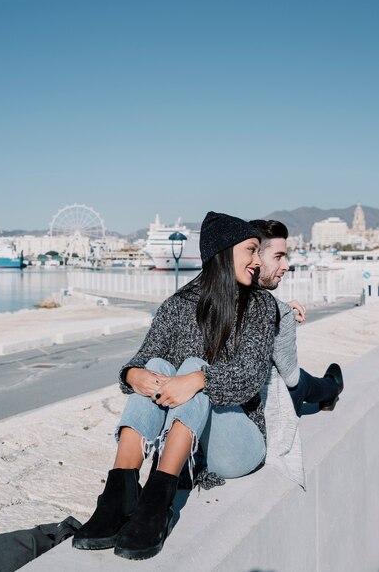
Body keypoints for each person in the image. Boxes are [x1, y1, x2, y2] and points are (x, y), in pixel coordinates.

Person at [72, 211, 278, 560]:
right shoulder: (178, 306)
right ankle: (120, 490)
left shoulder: (260, 306)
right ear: (224, 252)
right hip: (191, 444)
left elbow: (250, 376)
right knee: (155, 366)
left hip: (237, 442)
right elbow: (142, 358)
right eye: (251, 250)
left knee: (194, 368)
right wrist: (132, 376)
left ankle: (158, 497)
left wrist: (197, 379)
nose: (258, 261)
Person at [250, 219, 344, 416]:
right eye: (278, 257)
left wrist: (281, 311)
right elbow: (291, 378)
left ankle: (329, 391)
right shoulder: (276, 310)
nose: (286, 266)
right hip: (260, 416)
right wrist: (282, 315)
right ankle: (331, 389)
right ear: (254, 256)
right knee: (298, 381)